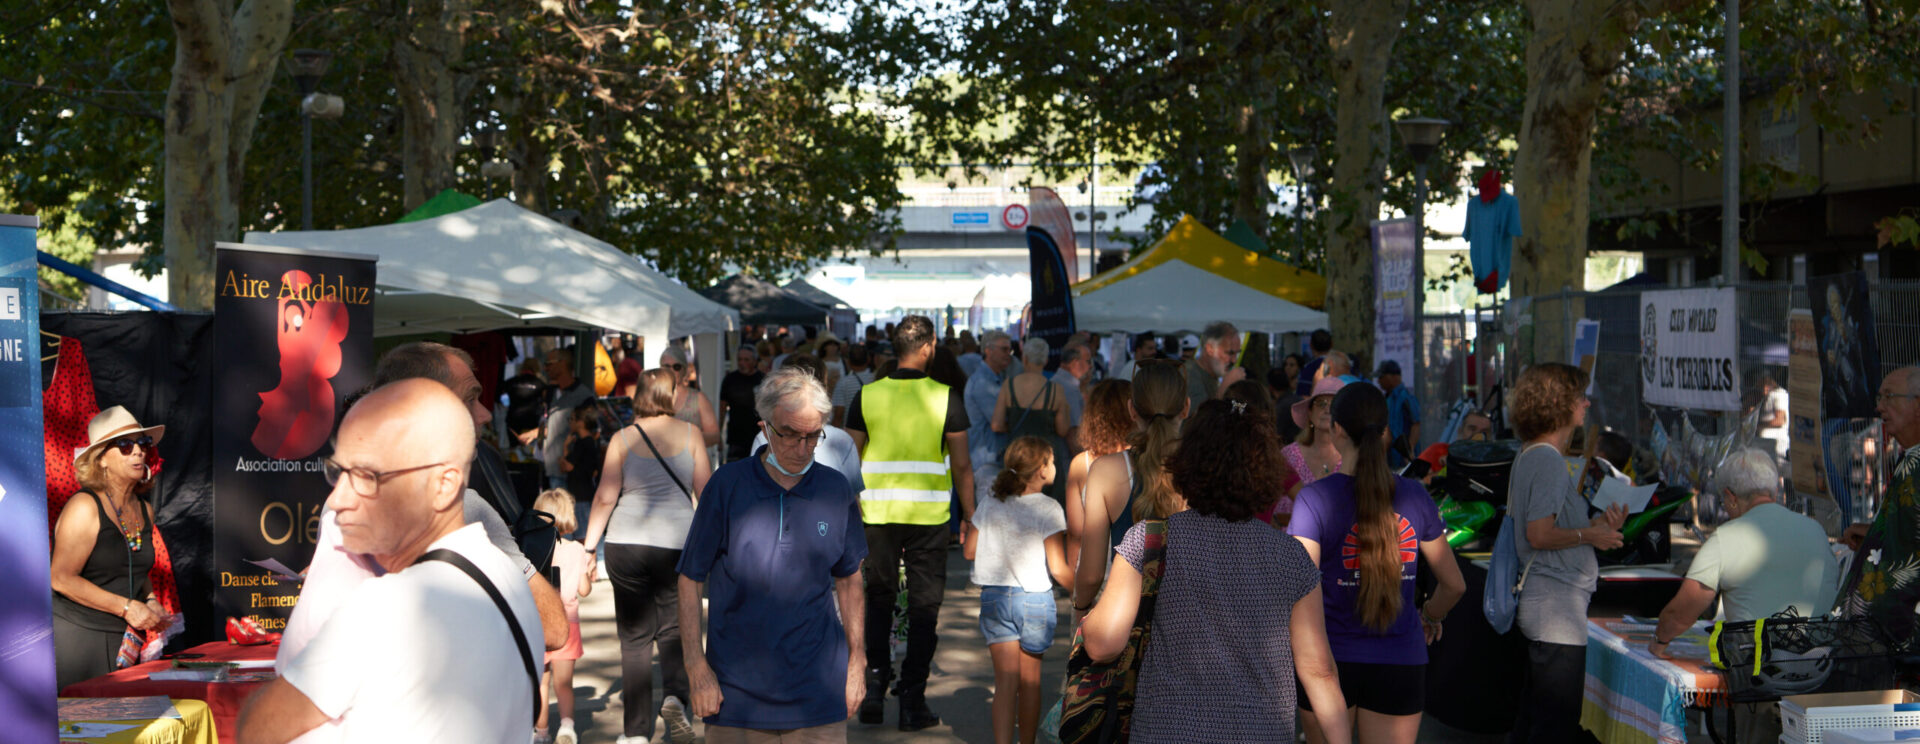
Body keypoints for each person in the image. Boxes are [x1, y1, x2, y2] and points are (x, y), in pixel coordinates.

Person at [238, 379, 542, 743]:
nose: (337, 500)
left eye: (367, 476)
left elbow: (257, 729)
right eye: (338, 473)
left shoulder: (387, 605)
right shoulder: (509, 579)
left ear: (443, 485)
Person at [1079, 399, 1352, 743]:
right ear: (1266, 472)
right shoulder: (1291, 557)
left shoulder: (1149, 542)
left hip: (1167, 732)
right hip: (1261, 733)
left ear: (1187, 463)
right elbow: (1319, 672)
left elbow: (1103, 645)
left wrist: (1086, 616)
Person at [677, 367, 868, 742]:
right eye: (790, 434)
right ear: (764, 427)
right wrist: (696, 667)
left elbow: (850, 579)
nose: (802, 447)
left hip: (819, 693)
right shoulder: (727, 486)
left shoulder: (835, 489)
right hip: (735, 697)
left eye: (813, 436)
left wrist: (857, 660)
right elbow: (689, 577)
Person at [1290, 384, 1466, 744]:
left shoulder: (1313, 500)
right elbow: (1454, 585)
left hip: (1329, 663)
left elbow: (1297, 586)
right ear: (1386, 432)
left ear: (1337, 429)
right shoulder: (1416, 495)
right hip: (1400, 661)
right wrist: (1430, 616)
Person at [1648, 449, 1837, 744]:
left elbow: (1681, 612)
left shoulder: (1728, 536)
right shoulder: (1814, 530)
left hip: (1760, 681)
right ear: (1773, 489)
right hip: (1818, 673)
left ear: (1731, 496)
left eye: (1724, 501)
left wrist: (1659, 642)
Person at [844, 315, 975, 730]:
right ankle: (912, 699)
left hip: (877, 515)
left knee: (878, 602)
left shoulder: (866, 396)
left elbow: (848, 462)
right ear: (927, 347)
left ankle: (874, 689)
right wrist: (971, 516)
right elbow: (963, 466)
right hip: (929, 518)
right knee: (924, 608)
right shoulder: (946, 397)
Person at [581, 368, 710, 744]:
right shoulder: (692, 435)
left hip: (626, 542)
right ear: (669, 396)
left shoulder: (621, 438)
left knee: (634, 639)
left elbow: (606, 496)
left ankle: (635, 733)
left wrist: (589, 547)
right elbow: (705, 493)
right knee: (674, 628)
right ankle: (675, 697)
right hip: (677, 543)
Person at [1507, 362, 1626, 743]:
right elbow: (1539, 534)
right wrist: (1590, 535)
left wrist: (1598, 531)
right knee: (1553, 726)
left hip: (1551, 610)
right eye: (1579, 397)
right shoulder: (1546, 459)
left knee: (1538, 720)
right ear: (1558, 403)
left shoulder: (1535, 454)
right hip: (1554, 612)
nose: (1586, 405)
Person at [51, 406, 173, 689]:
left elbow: (134, 565)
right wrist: (128, 607)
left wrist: (151, 599)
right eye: (124, 445)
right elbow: (59, 578)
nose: (138, 452)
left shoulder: (144, 509)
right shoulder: (84, 506)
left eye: (143, 443)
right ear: (101, 460)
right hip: (78, 642)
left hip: (123, 642)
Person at [968, 436, 1072, 744]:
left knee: (1005, 683)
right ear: (1041, 470)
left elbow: (970, 550)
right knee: (1030, 683)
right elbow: (1058, 568)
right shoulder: (1049, 507)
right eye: (1051, 462)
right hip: (1034, 601)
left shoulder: (990, 502)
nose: (1054, 467)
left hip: (995, 598)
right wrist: (1088, 592)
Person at [1072, 361, 1185, 613]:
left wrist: (1081, 607)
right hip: (1194, 624)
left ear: (1132, 409)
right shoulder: (1208, 465)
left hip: (1127, 619)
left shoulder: (1107, 470)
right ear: (1186, 407)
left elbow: (1091, 575)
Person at [1836, 366, 1920, 647]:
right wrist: (1872, 535)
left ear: (1918, 405)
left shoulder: (1915, 465)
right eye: (1879, 396)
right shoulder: (1909, 460)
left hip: (1896, 636)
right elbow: (1908, 532)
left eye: (1889, 396)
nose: (1879, 406)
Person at [532, 489, 596, 744]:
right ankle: (567, 728)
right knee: (564, 684)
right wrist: (589, 573)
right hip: (567, 622)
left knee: (541, 684)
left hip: (538, 621)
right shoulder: (576, 550)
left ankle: (542, 733)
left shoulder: (533, 550)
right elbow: (584, 590)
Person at [753, 355, 865, 493]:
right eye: (788, 435)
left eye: (814, 435)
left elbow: (851, 500)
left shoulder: (842, 441)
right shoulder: (842, 440)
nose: (801, 452)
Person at [1062, 379, 1132, 573]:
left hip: (1095, 570)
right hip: (1138, 571)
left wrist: (1076, 588)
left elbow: (1076, 531)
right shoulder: (1146, 458)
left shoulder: (1081, 463)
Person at [992, 337, 1071, 503]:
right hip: (1047, 460)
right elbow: (1063, 429)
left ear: (1024, 358)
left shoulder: (1009, 385)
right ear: (1046, 360)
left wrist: (1013, 426)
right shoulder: (1056, 390)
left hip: (1018, 455)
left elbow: (996, 424)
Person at [1275, 377, 1354, 522]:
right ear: (1310, 413)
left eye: (1334, 405)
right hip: (1287, 541)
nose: (1327, 409)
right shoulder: (1288, 455)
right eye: (1321, 403)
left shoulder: (1353, 458)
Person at [544, 347, 595, 490]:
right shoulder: (550, 393)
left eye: (549, 363)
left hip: (571, 474)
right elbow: (552, 425)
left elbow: (590, 433)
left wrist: (572, 460)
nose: (545, 368)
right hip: (552, 469)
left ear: (562, 363)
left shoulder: (584, 396)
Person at [964, 331, 1016, 467]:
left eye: (1010, 350)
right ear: (988, 351)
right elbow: (999, 423)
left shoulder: (997, 377)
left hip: (993, 459)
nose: (1008, 354)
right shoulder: (982, 382)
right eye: (1004, 349)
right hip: (987, 462)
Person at [664, 346, 723, 449]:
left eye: (676, 367)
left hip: (691, 459)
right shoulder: (653, 397)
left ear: (684, 369)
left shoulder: (698, 398)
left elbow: (715, 436)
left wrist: (684, 437)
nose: (671, 370)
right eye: (666, 366)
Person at [560, 402, 603, 539]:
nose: (570, 423)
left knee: (582, 535)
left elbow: (565, 466)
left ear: (580, 422)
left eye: (572, 419)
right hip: (583, 494)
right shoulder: (589, 442)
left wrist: (565, 448)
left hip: (581, 495)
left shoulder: (583, 443)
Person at [1184, 321, 1246, 414]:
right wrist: (1225, 387)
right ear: (1210, 349)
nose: (1234, 360)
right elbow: (1199, 422)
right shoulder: (1189, 375)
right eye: (1230, 353)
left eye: (1237, 353)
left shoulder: (1211, 375)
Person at [719, 346, 766, 462]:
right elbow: (722, 408)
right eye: (740, 359)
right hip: (736, 437)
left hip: (759, 437)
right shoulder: (730, 379)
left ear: (755, 361)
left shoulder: (764, 380)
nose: (742, 363)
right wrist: (718, 432)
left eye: (746, 360)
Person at [1376, 360, 1421, 469]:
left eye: (1381, 377)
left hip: (1404, 461)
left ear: (1392, 377)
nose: (1379, 381)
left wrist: (1409, 449)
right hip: (1391, 459)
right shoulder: (1388, 398)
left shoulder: (1406, 397)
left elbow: (1416, 423)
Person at [830, 343, 877, 428]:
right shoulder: (877, 378)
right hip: (873, 431)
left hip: (851, 434)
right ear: (868, 359)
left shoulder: (842, 383)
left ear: (849, 362)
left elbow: (838, 415)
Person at [1057, 344, 1093, 448]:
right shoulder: (1070, 389)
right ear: (1075, 363)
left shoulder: (1058, 382)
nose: (1090, 366)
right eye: (1088, 361)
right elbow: (1073, 433)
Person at [1749, 369, 1789, 464]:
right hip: (1764, 444)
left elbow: (1780, 420)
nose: (1758, 389)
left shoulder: (1778, 394)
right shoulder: (1767, 396)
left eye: (1759, 385)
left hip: (1776, 444)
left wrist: (1759, 425)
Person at [1297, 329, 1335, 397]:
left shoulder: (1308, 369)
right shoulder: (1344, 366)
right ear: (1332, 344)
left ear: (1311, 345)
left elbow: (1303, 397)